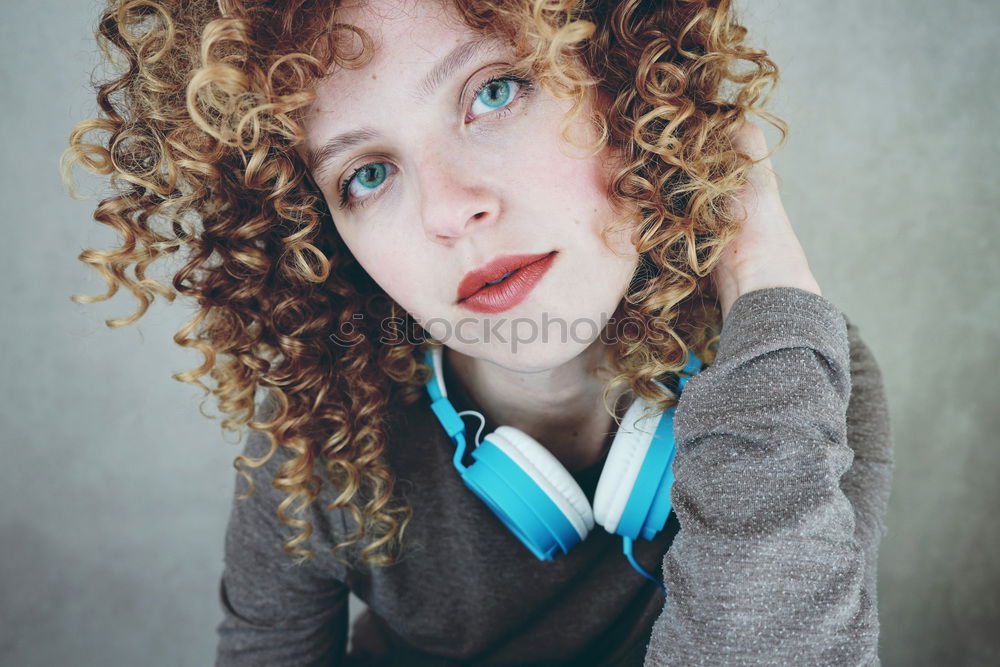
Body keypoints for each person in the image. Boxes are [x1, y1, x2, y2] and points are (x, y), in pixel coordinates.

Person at [63, 0, 894, 664]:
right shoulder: (311, 447)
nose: (447, 211)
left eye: (493, 90)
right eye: (369, 174)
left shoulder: (796, 377)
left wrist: (757, 267)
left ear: (633, 84)